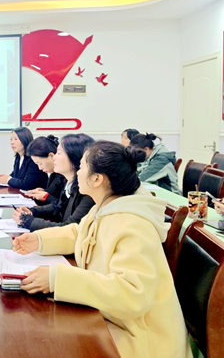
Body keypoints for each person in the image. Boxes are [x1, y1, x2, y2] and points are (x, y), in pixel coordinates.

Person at [12, 141, 191, 358]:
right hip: (112, 320)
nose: (78, 172)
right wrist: (39, 240)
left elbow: (132, 294)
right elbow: (81, 233)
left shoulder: (134, 224)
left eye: (82, 167)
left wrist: (57, 278)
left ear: (97, 179)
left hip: (140, 339)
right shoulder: (106, 205)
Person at [14, 133, 95, 231]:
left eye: (59, 153)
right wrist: (32, 211)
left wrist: (28, 221)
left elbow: (68, 228)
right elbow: (57, 205)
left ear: (74, 158)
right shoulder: (69, 183)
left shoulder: (88, 192)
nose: (54, 157)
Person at [23, 135, 66, 206]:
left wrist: (46, 196)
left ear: (51, 156)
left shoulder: (65, 175)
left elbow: (64, 206)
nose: (40, 168)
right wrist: (43, 192)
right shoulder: (53, 174)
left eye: (40, 163)